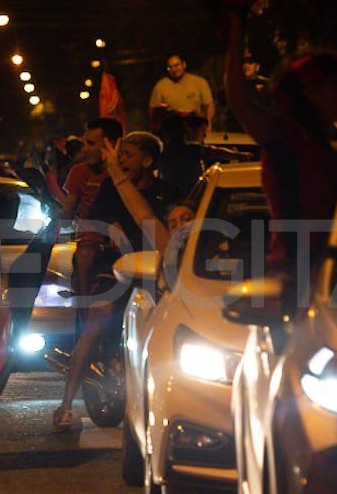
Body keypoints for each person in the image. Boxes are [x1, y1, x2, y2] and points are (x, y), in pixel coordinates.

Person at [224, 12, 337, 295]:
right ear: (311, 91)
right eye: (336, 86)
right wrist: (236, 24)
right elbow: (239, 98)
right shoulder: (283, 134)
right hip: (297, 280)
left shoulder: (317, 142)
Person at [53, 131, 179, 432]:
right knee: (97, 323)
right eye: (119, 155)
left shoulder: (168, 193)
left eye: (128, 155)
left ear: (147, 161)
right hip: (116, 267)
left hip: (155, 271)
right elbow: (102, 221)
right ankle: (66, 405)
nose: (121, 161)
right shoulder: (111, 188)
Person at [56, 118, 120, 306]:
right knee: (84, 258)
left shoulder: (123, 172)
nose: (85, 149)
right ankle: (83, 311)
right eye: (85, 143)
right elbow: (67, 210)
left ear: (110, 144)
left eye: (91, 143)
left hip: (121, 239)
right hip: (90, 239)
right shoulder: (79, 171)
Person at [150, 53, 216, 130]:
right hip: (173, 129)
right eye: (170, 67)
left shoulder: (199, 82)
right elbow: (153, 110)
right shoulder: (160, 86)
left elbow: (209, 105)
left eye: (176, 65)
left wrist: (208, 122)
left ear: (184, 64)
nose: (174, 70)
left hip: (195, 127)